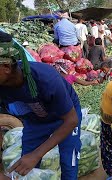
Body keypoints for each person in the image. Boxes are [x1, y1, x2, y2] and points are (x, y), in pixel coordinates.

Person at [0, 31, 81, 180]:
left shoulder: (46, 79)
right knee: (26, 163)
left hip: (65, 117)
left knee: (68, 160)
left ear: (5, 67)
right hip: (35, 120)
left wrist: (37, 154)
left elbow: (72, 120)